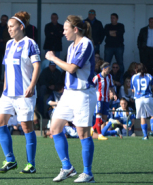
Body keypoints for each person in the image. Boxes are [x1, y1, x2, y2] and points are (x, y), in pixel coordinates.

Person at [45, 15, 96, 183]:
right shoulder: (71, 46)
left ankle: (87, 173)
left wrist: (53, 58)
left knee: (83, 133)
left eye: (66, 29)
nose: (63, 32)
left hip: (83, 94)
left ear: (75, 30)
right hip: (68, 94)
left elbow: (72, 69)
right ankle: (67, 167)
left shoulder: (86, 44)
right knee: (55, 128)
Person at [0, 11, 41, 174]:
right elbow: (7, 68)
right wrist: (5, 87)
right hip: (8, 93)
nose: (9, 29)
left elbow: (37, 66)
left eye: (12, 26)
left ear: (21, 27)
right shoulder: (8, 44)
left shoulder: (30, 43)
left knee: (26, 127)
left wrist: (32, 85)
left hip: (24, 94)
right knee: (0, 122)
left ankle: (31, 164)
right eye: (8, 27)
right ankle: (10, 160)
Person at [131, 63, 153, 140]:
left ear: (136, 69)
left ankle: (145, 136)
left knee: (142, 116)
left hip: (138, 99)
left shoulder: (133, 77)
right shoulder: (149, 76)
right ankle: (152, 130)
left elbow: (133, 90)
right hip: (147, 97)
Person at [92, 62, 118, 141]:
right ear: (103, 69)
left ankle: (92, 129)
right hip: (98, 99)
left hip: (106, 99)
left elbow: (111, 87)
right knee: (98, 115)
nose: (109, 70)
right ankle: (100, 134)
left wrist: (114, 94)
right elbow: (91, 87)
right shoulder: (97, 77)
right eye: (108, 69)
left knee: (104, 118)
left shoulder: (109, 77)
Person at [0, 15, 10, 80]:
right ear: (0, 19)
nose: (4, 21)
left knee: (7, 63)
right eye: (3, 19)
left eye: (5, 19)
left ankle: (6, 77)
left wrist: (3, 40)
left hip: (6, 48)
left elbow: (10, 37)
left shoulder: (9, 28)